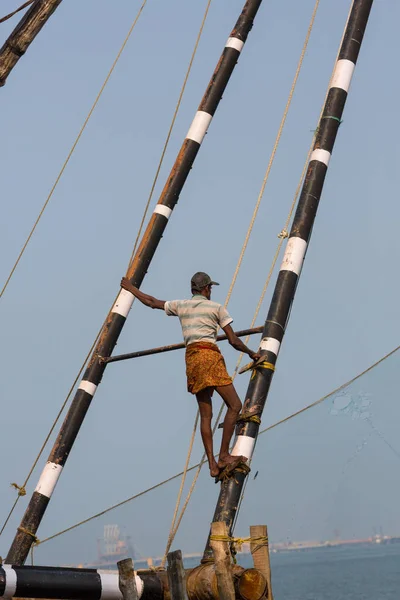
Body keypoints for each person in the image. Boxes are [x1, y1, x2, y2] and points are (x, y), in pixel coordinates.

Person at [120, 272, 261, 478]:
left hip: (192, 359)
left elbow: (151, 302)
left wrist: (130, 288)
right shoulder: (216, 308)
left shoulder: (181, 305)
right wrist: (252, 354)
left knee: (206, 415)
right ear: (206, 289)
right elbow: (233, 341)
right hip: (209, 357)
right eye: (210, 288)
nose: (211, 291)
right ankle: (224, 455)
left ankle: (212, 465)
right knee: (235, 406)